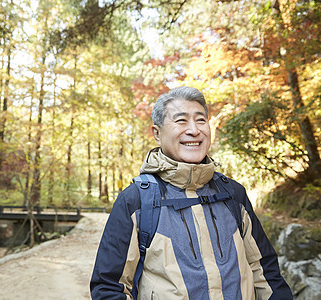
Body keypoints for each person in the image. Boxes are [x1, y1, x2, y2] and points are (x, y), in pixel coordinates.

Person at [90, 86, 292, 299]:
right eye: (181, 121)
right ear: (157, 134)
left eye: (201, 120)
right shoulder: (137, 200)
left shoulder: (233, 193)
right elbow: (109, 288)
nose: (194, 130)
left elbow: (265, 272)